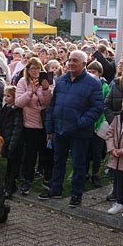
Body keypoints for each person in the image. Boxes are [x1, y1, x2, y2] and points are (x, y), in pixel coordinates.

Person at [39, 50, 104, 206]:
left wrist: (80, 122)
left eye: (75, 61)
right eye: (70, 60)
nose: (71, 63)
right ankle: (56, 189)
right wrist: (50, 128)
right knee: (58, 161)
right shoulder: (61, 80)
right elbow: (53, 105)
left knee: (78, 164)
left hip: (79, 132)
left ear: (84, 64)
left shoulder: (93, 83)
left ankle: (76, 194)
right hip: (60, 129)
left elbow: (97, 107)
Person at [15, 57, 52, 195]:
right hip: (29, 124)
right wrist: (30, 92)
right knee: (30, 155)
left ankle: (46, 179)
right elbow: (19, 102)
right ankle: (27, 180)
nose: (35, 71)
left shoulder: (46, 81)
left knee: (45, 153)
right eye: (32, 68)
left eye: (38, 68)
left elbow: (47, 103)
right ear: (28, 70)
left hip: (44, 124)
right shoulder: (22, 82)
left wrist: (45, 89)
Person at [86, 61, 110, 188]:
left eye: (94, 72)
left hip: (99, 124)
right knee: (85, 150)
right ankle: (84, 172)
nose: (91, 74)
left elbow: (103, 107)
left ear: (100, 74)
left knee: (97, 151)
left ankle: (95, 173)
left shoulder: (104, 87)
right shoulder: (83, 84)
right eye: (89, 72)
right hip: (86, 123)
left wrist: (98, 123)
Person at [0, 86, 24, 199]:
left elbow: (17, 128)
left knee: (13, 166)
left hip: (14, 142)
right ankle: (7, 185)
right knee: (9, 165)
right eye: (5, 96)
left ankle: (10, 186)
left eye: (8, 96)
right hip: (6, 139)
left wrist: (12, 143)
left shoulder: (16, 110)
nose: (5, 98)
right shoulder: (5, 107)